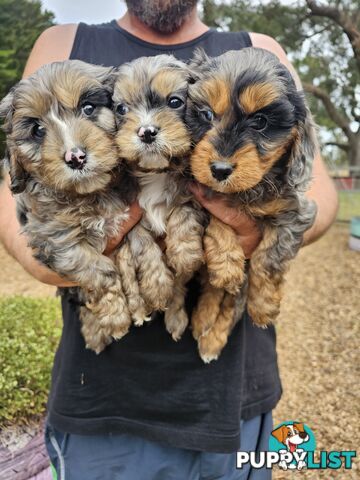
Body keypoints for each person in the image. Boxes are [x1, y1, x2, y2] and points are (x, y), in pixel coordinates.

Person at [0, 1, 338, 479]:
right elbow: (18, 212)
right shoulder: (64, 45)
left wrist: (244, 231)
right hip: (102, 398)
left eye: (177, 104)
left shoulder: (258, 49)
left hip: (232, 393)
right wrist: (87, 249)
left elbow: (317, 194)